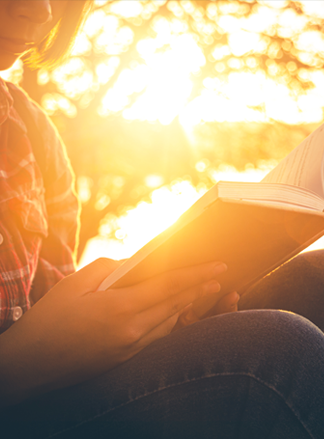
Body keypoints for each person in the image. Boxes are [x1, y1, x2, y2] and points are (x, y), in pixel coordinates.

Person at [0, 2, 323, 438]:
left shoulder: (33, 133)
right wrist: (22, 364)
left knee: (315, 279)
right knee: (275, 355)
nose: (40, 11)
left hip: (56, 391)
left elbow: (50, 299)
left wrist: (149, 320)